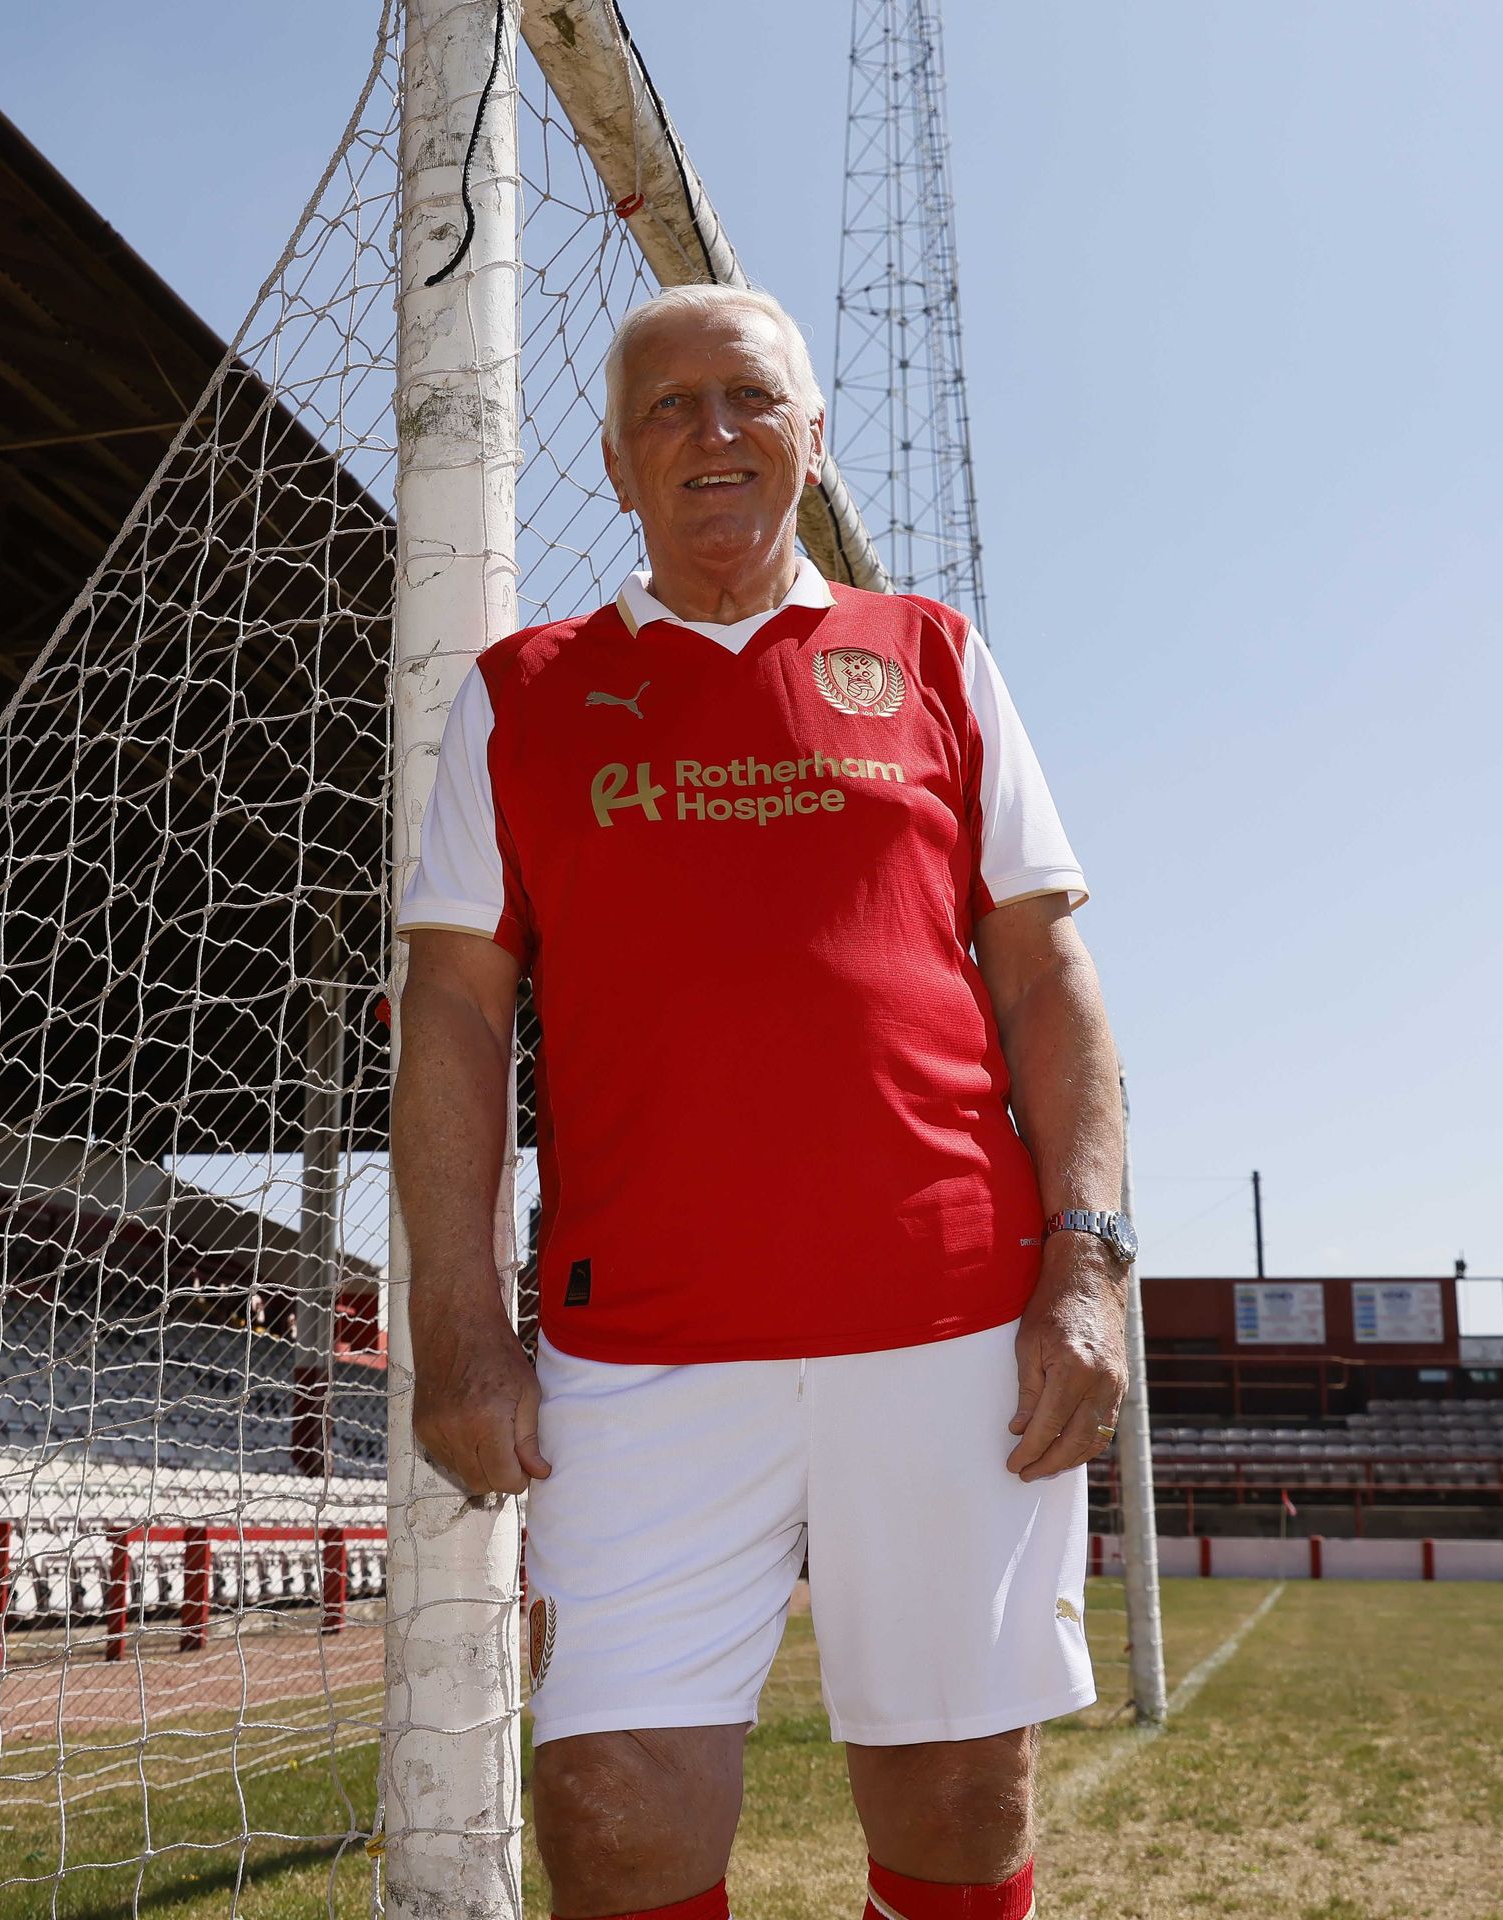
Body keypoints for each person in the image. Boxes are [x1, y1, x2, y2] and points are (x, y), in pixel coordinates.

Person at [392, 283, 1134, 1920]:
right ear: (613, 460)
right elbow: (453, 1012)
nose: (711, 432)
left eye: (747, 398)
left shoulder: (932, 655)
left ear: (810, 437)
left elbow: (1044, 977)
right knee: (609, 1809)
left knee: (961, 1798)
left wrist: (1086, 1265)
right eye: (666, 406)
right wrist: (455, 1319)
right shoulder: (523, 693)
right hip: (641, 1344)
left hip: (950, 1317)